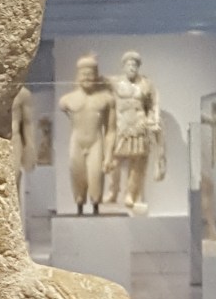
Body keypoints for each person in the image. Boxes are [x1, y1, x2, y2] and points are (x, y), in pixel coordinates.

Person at [105, 51, 166, 209]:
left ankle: (130, 194)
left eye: (135, 65)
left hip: (139, 125)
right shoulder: (115, 82)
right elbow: (99, 85)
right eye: (129, 64)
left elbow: (154, 104)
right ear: (123, 66)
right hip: (121, 125)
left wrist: (154, 119)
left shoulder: (146, 84)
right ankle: (113, 191)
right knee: (114, 161)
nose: (132, 67)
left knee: (137, 163)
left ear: (138, 67)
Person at [59, 55, 116, 214]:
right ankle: (79, 205)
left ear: (96, 75)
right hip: (76, 142)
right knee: (76, 175)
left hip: (96, 142)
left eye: (90, 74)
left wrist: (109, 156)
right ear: (78, 75)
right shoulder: (67, 100)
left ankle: (95, 205)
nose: (87, 77)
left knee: (95, 176)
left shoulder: (106, 99)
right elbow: (64, 107)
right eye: (84, 74)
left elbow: (111, 130)